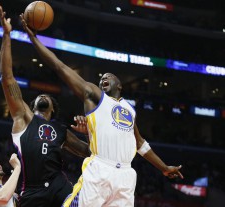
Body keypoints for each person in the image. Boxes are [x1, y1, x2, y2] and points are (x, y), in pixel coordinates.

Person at [20, 14, 184, 207]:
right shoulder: (95, 96)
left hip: (125, 175)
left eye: (108, 76)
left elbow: (140, 144)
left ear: (120, 85)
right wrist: (34, 39)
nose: (102, 78)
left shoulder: (129, 110)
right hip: (100, 168)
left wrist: (163, 167)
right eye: (100, 78)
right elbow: (59, 66)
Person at [0, 5, 90, 207]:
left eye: (46, 95)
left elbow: (89, 152)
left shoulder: (61, 130)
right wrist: (6, 35)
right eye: (39, 95)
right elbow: (7, 78)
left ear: (53, 109)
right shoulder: (23, 117)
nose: (43, 95)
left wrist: (89, 132)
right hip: (32, 189)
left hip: (59, 185)